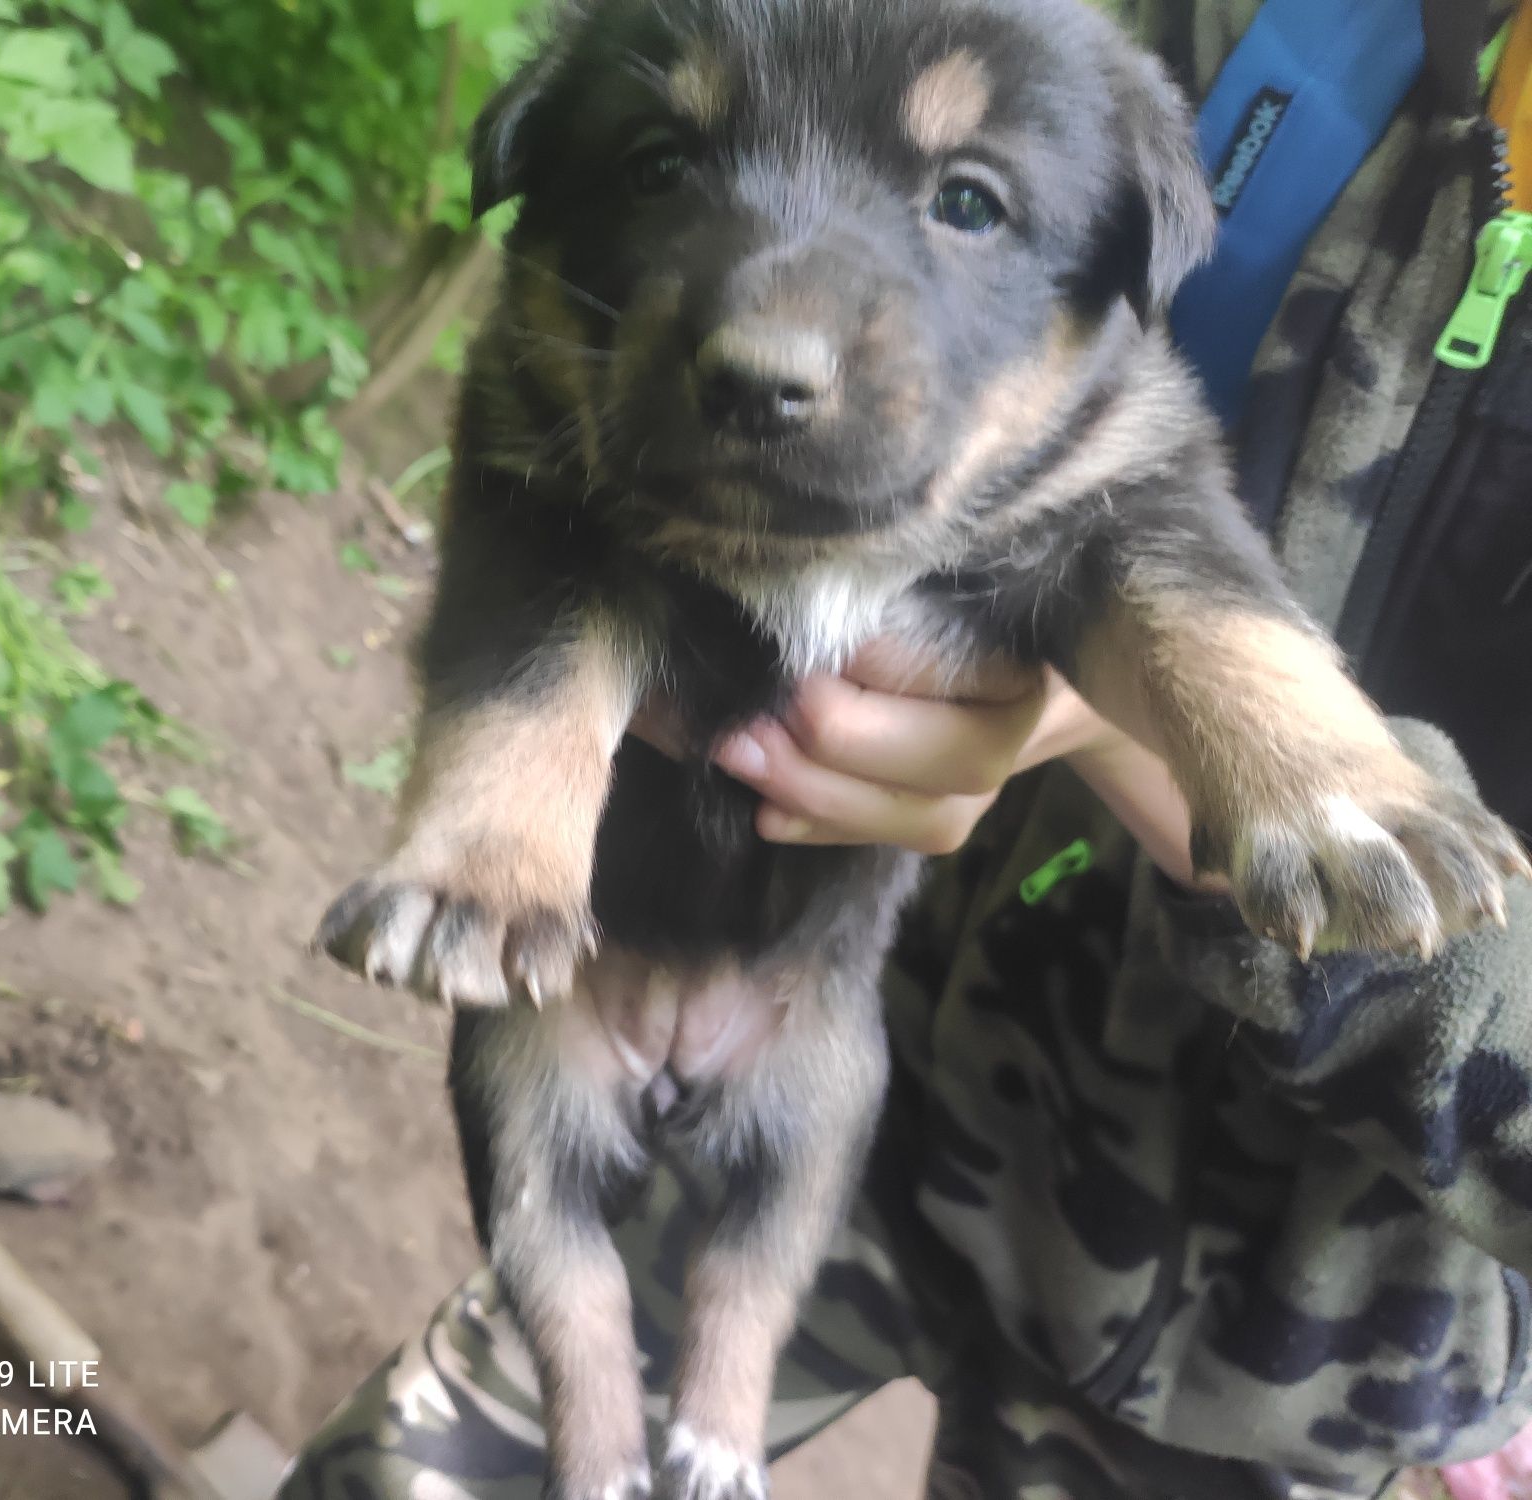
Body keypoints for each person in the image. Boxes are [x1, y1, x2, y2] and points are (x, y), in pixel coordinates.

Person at [279, 0, 1532, 1494]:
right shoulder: (1281, 23)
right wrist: (507, 802)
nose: (768, 329)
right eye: (676, 167)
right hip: (880, 1060)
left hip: (1289, 1351)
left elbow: (1144, 514)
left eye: (967, 200)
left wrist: (1177, 739)